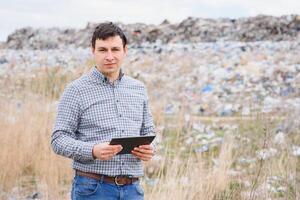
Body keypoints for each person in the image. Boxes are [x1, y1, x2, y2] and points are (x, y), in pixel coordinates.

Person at [51, 22, 156, 200]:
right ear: (93, 50)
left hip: (133, 190)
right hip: (93, 189)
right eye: (102, 50)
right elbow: (58, 139)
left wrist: (151, 148)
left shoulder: (138, 88)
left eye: (115, 49)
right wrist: (92, 150)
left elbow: (149, 131)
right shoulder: (76, 90)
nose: (109, 56)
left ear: (125, 51)